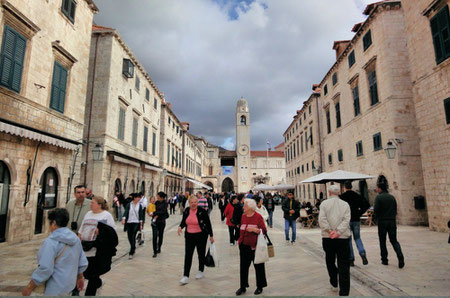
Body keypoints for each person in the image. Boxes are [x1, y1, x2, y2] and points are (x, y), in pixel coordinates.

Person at [22, 209, 88, 296]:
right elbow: (82, 262)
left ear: (54, 223)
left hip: (53, 288)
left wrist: (30, 286)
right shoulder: (76, 239)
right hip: (69, 285)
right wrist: (80, 277)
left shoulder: (51, 242)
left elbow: (45, 268)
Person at [78, 196, 116, 296]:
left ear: (99, 205)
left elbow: (112, 233)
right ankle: (98, 282)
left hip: (97, 250)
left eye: (93, 203)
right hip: (85, 248)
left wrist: (101, 233)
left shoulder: (106, 215)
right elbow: (82, 228)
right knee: (87, 273)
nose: (90, 204)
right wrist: (78, 239)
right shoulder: (88, 214)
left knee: (93, 274)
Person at [319, 185, 351, 296]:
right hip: (342, 238)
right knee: (344, 264)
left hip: (328, 238)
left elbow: (322, 219)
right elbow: (346, 220)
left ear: (329, 192)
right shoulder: (345, 204)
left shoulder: (324, 204)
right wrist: (338, 231)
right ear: (339, 192)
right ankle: (344, 292)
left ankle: (334, 283)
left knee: (330, 260)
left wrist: (330, 231)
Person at [178, 196, 215, 285]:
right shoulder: (186, 210)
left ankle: (201, 270)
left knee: (200, 253)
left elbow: (208, 223)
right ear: (189, 203)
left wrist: (211, 235)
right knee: (188, 255)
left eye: (195, 202)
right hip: (189, 236)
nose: (193, 204)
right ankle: (186, 275)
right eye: (192, 202)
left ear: (197, 203)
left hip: (201, 235)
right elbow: (183, 221)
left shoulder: (202, 211)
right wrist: (180, 227)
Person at [236, 199, 267, 296]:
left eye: (244, 206)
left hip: (255, 246)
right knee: (243, 267)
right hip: (244, 245)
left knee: (258, 266)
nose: (243, 207)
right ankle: (243, 286)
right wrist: (240, 241)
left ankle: (260, 286)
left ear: (249, 207)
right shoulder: (243, 216)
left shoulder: (258, 217)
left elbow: (264, 230)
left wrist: (254, 229)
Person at [373, 181, 405, 268]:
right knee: (394, 240)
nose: (376, 189)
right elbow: (395, 209)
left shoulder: (378, 198)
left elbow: (376, 210)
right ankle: (400, 256)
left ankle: (384, 259)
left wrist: (375, 219)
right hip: (392, 221)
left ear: (380, 188)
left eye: (377, 188)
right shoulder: (392, 197)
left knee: (382, 241)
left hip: (382, 221)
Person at [339, 180, 369, 266]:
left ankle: (351, 259)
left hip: (346, 221)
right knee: (357, 238)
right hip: (356, 219)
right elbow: (366, 204)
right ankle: (362, 253)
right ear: (351, 187)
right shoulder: (357, 196)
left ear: (345, 187)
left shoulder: (342, 197)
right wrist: (359, 213)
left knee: (348, 240)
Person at [122, 193, 145, 259]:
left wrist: (141, 224)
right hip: (129, 222)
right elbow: (126, 212)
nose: (139, 199)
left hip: (136, 222)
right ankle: (133, 247)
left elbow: (141, 215)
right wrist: (124, 219)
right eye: (138, 197)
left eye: (139, 198)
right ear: (134, 198)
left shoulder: (140, 206)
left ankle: (131, 252)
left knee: (133, 236)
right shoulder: (129, 204)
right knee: (129, 236)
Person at [152, 192, 168, 258]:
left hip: (161, 222)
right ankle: (154, 251)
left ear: (161, 197)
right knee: (155, 236)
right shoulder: (156, 203)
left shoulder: (165, 203)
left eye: (158, 196)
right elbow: (153, 210)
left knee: (160, 236)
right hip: (155, 222)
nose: (157, 197)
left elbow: (163, 211)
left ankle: (159, 247)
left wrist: (156, 213)